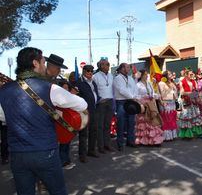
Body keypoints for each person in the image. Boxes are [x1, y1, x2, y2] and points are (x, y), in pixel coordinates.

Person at [0, 47, 87, 195]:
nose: (44, 65)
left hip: (17, 154)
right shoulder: (49, 88)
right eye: (43, 62)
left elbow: (3, 117)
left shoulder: (4, 90)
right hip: (45, 151)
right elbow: (82, 105)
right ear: (35, 63)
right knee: (57, 191)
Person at [76, 65, 101, 161]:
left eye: (91, 71)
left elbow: (95, 94)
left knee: (93, 131)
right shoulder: (79, 83)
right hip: (84, 112)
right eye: (88, 71)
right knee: (83, 134)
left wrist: (98, 99)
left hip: (94, 110)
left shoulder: (93, 82)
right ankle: (82, 155)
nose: (90, 72)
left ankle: (91, 150)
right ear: (83, 71)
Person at [135, 70, 164, 145]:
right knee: (145, 121)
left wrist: (155, 96)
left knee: (153, 120)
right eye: (145, 74)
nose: (147, 76)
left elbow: (152, 93)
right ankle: (144, 140)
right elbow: (136, 95)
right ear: (141, 75)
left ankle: (154, 140)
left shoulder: (149, 83)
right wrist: (143, 98)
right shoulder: (137, 85)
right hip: (143, 104)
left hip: (151, 103)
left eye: (146, 74)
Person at [113, 63, 138, 151]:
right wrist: (132, 96)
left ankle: (130, 141)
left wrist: (134, 96)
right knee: (121, 123)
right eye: (127, 67)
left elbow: (135, 88)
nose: (129, 69)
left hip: (130, 101)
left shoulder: (130, 78)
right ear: (122, 69)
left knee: (131, 122)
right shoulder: (117, 78)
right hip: (121, 102)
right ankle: (120, 143)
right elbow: (122, 90)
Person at [93, 57, 115, 153]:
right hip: (101, 103)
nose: (107, 66)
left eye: (108, 64)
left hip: (110, 101)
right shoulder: (95, 76)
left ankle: (107, 145)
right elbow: (93, 90)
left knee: (107, 125)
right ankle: (100, 147)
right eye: (105, 64)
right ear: (100, 66)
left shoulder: (111, 76)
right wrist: (98, 100)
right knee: (100, 126)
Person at [178, 69, 202, 139]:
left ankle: (194, 133)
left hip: (194, 101)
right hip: (186, 101)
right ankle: (187, 134)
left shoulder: (194, 81)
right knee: (187, 117)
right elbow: (182, 92)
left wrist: (195, 96)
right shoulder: (182, 82)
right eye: (190, 74)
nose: (192, 75)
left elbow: (197, 91)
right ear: (186, 75)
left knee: (194, 117)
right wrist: (191, 93)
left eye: (193, 74)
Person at [158, 70, 178, 141]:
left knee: (172, 118)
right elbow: (161, 93)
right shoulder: (161, 83)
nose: (171, 74)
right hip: (165, 102)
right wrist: (162, 102)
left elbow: (175, 92)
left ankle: (172, 135)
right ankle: (167, 136)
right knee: (166, 119)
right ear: (165, 75)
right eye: (169, 74)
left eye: (171, 73)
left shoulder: (172, 82)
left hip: (172, 102)